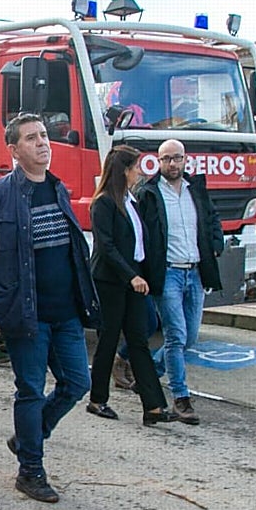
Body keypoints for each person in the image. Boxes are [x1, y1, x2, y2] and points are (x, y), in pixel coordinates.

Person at [0, 114, 101, 503]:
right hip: (26, 315)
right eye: (32, 138)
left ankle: (28, 436)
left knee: (77, 383)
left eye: (44, 136)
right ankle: (30, 471)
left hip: (67, 313)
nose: (43, 143)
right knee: (29, 389)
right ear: (14, 150)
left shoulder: (59, 189)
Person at [86, 146, 176, 425]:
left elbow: (139, 243)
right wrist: (131, 276)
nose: (140, 172)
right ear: (124, 171)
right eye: (136, 167)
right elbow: (107, 247)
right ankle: (97, 399)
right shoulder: (103, 203)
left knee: (139, 340)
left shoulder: (131, 201)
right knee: (109, 340)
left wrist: (144, 274)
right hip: (111, 281)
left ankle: (154, 406)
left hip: (134, 278)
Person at [137, 138, 224, 425]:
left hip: (195, 271)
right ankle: (181, 398)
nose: (172, 164)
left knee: (190, 336)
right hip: (169, 272)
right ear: (158, 162)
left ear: (186, 159)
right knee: (175, 335)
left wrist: (216, 244)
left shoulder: (195, 190)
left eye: (177, 158)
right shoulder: (149, 193)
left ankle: (147, 372)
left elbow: (212, 220)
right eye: (166, 159)